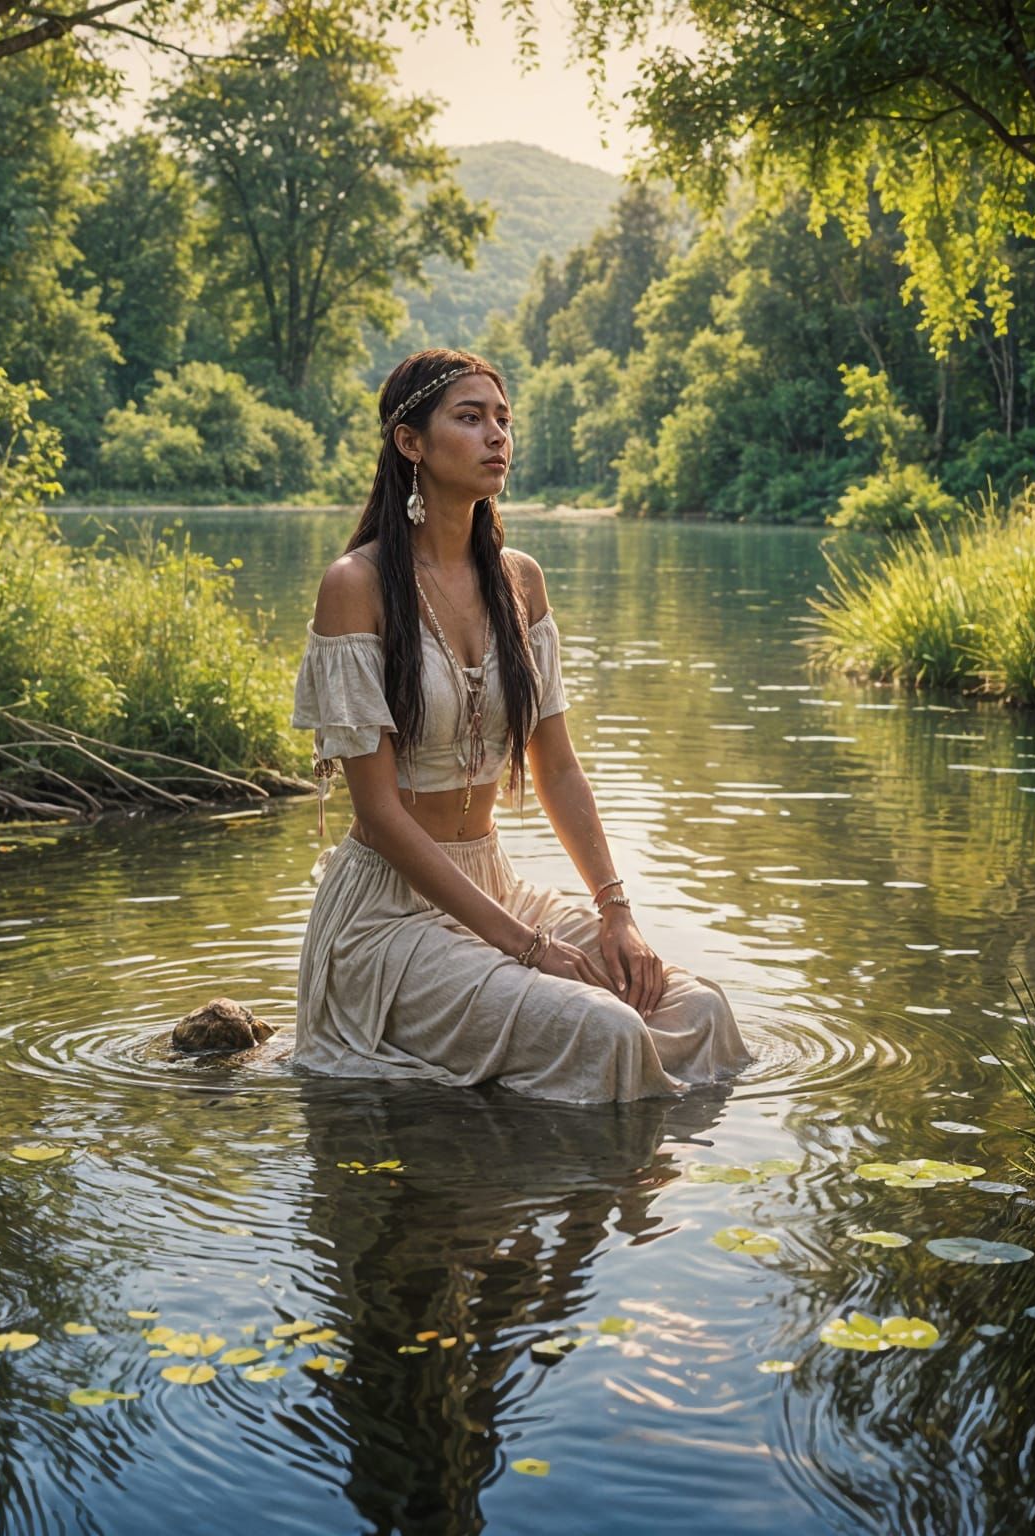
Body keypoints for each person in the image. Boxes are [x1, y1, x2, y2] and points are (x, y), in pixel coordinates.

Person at [291, 348, 751, 1103]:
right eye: (470, 418)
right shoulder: (357, 586)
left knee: (698, 1009)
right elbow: (378, 813)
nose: (496, 436)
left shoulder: (519, 581)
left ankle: (658, 1172)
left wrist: (616, 914)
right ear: (411, 442)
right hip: (387, 917)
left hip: (493, 883)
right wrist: (527, 948)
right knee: (606, 1030)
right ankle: (599, 1175)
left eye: (503, 420)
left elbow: (558, 767)